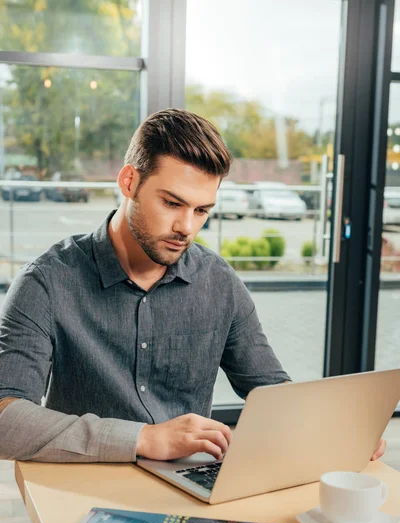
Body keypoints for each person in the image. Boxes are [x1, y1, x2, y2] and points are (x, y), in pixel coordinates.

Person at [0, 109, 386, 464]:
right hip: (82, 484)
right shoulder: (47, 282)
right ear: (129, 181)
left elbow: (271, 393)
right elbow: (6, 419)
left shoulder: (219, 283)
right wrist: (142, 438)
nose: (186, 227)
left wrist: (336, 429)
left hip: (187, 485)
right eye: (172, 203)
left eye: (202, 210)